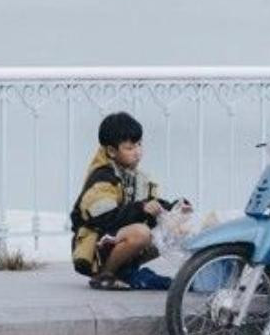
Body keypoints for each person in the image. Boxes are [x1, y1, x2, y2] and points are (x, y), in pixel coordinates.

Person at [69, 111, 187, 290]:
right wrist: (141, 209)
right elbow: (105, 218)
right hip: (95, 246)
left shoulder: (135, 176)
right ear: (111, 151)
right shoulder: (103, 177)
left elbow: (151, 203)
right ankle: (104, 275)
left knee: (173, 227)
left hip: (114, 239)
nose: (137, 152)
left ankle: (124, 270)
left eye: (139, 145)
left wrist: (174, 207)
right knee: (141, 233)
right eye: (130, 148)